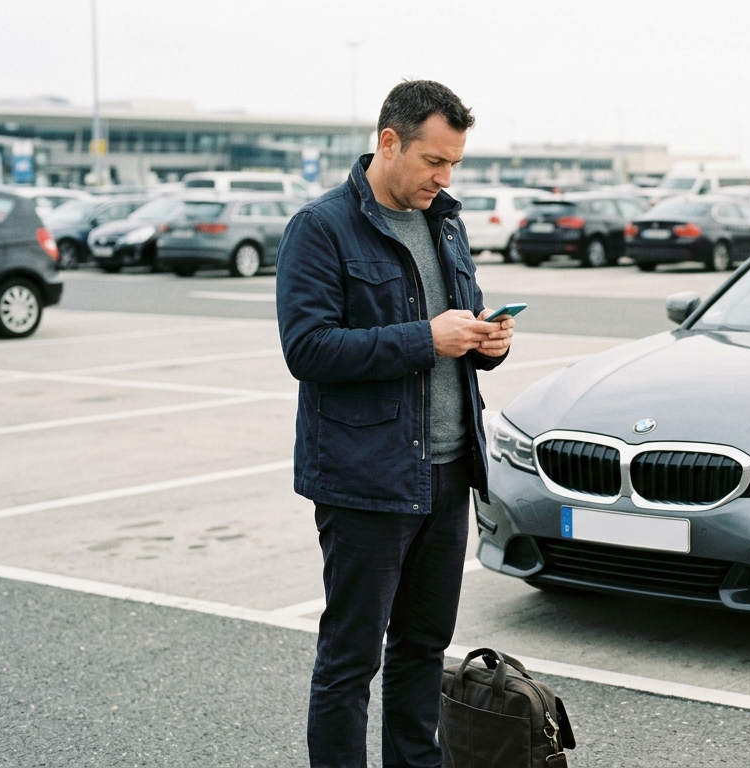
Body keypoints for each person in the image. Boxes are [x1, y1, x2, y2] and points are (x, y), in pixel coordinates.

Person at [275, 80, 515, 768]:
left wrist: (489, 343)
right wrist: (425, 339)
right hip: (365, 480)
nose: (445, 178)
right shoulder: (321, 228)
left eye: (454, 164)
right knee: (350, 661)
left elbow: (458, 325)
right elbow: (307, 348)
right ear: (389, 142)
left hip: (448, 473)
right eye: (434, 161)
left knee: (423, 648)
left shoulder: (446, 223)